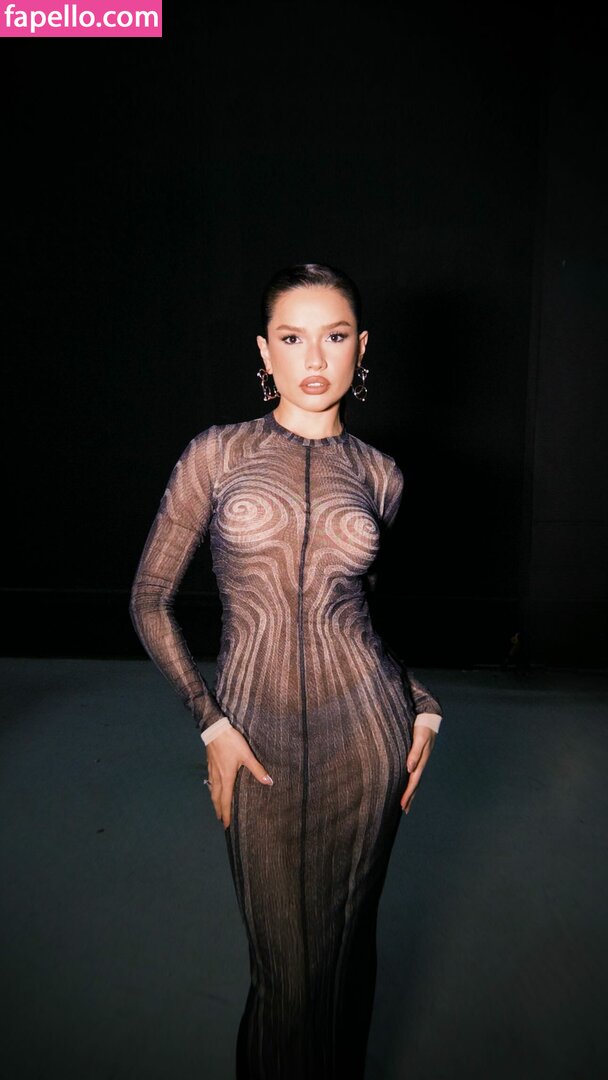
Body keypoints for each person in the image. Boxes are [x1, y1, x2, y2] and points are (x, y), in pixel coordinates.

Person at [129, 262, 444, 1079]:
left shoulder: (381, 474)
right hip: (256, 742)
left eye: (334, 337)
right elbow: (150, 600)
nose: (315, 357)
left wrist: (420, 702)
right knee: (286, 982)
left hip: (369, 742)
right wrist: (210, 720)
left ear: (361, 348)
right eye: (293, 338)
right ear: (265, 352)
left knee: (346, 956)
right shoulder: (218, 454)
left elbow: (360, 614)